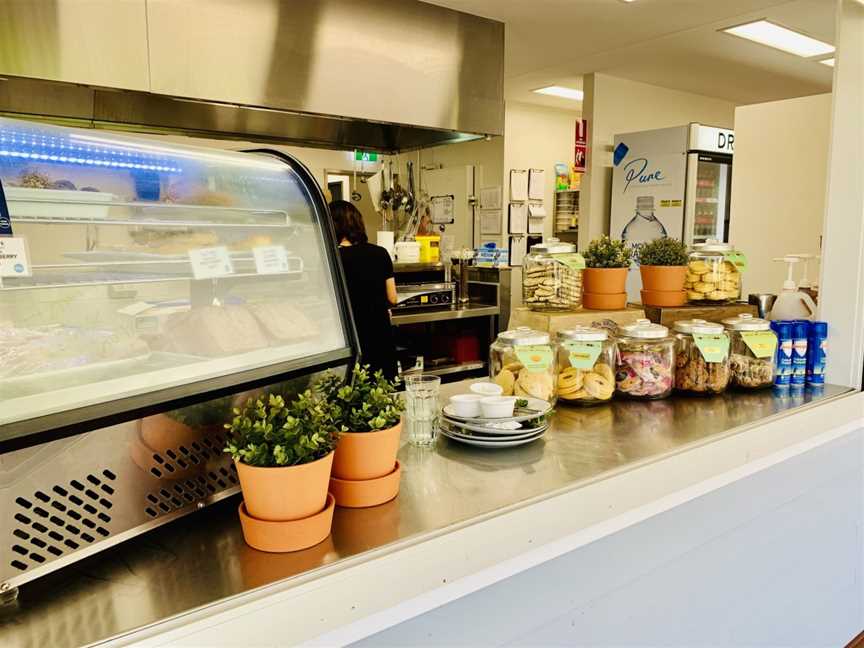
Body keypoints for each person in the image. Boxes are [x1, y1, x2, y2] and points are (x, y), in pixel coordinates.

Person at [329, 200, 398, 380]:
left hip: (351, 338)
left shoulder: (332, 258)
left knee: (356, 396)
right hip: (380, 335)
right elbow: (392, 298)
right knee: (384, 394)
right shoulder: (380, 253)